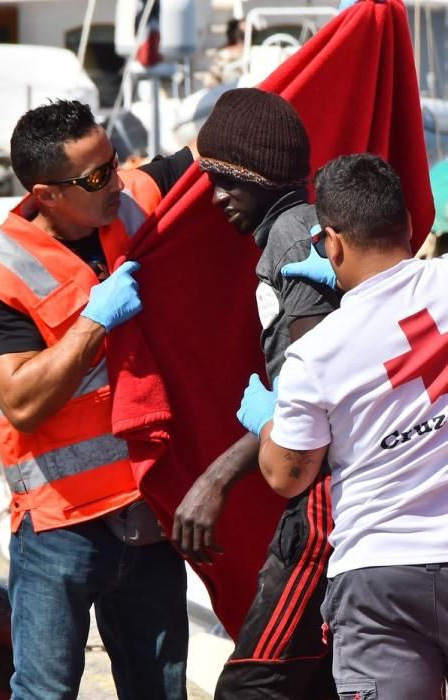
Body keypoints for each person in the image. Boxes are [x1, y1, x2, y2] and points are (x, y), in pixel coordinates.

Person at [0, 99, 194, 700]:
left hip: (149, 515)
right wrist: (94, 322)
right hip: (63, 526)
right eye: (94, 176)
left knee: (161, 691)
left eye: (111, 161)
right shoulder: (0, 276)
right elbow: (21, 401)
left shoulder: (127, 194)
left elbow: (220, 152)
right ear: (46, 193)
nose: (114, 180)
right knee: (45, 692)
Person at [240, 152, 448, 699]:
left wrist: (266, 423)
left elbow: (288, 475)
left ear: (331, 242)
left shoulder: (318, 353)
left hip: (380, 578)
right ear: (407, 222)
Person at [172, 87, 341, 699]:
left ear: (263, 176)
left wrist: (216, 478)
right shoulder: (287, 234)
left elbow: (318, 389)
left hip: (325, 500)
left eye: (227, 181)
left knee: (253, 684)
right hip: (320, 488)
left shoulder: (293, 239)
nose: (216, 198)